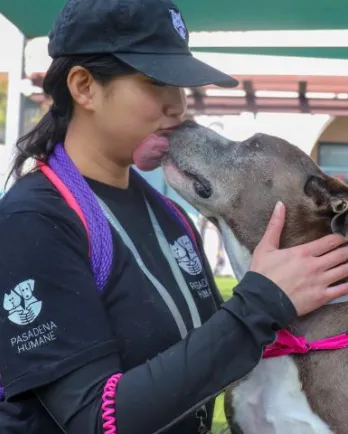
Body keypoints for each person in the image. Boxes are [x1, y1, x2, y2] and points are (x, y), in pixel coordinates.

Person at [1, 1, 348, 433]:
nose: (178, 105)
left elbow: (202, 358)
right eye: (157, 82)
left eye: (180, 86)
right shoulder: (35, 220)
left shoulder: (167, 213)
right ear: (84, 87)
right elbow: (99, 420)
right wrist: (263, 301)